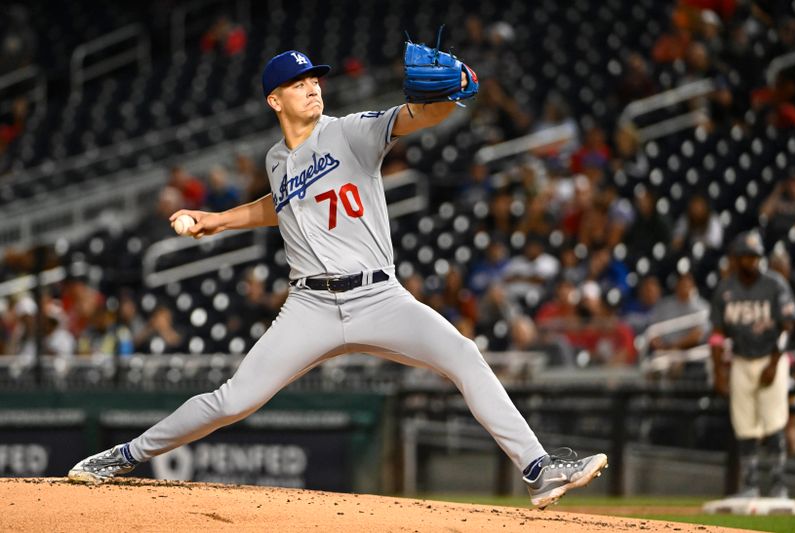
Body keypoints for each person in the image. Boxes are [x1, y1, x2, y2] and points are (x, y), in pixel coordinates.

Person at [67, 49, 606, 509]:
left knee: (464, 354)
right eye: (298, 84)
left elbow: (415, 117)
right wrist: (217, 220)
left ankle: (538, 470)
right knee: (233, 401)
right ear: (274, 101)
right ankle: (126, 455)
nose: (312, 88)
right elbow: (277, 205)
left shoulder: (351, 133)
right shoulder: (277, 159)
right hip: (310, 308)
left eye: (315, 80)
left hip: (379, 296)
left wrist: (453, 93)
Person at [709, 231, 795, 499]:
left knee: (774, 422)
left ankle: (778, 486)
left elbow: (788, 325)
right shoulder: (726, 288)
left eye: (755, 256)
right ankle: (750, 486)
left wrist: (774, 360)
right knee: (745, 425)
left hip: (771, 357)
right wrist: (718, 371)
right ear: (736, 259)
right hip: (741, 360)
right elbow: (716, 334)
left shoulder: (775, 284)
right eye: (746, 257)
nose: (752, 261)